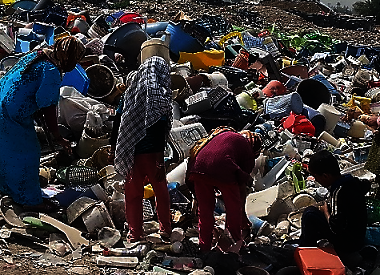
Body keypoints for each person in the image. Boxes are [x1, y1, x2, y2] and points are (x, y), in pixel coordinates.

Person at [0, 36, 85, 210]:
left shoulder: (38, 55)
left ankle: (6, 186)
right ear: (67, 57)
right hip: (12, 116)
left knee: (6, 151)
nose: (74, 64)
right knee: (27, 153)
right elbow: (47, 106)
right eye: (75, 59)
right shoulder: (50, 70)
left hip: (3, 105)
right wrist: (57, 137)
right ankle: (29, 199)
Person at [112, 56, 173, 243]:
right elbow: (163, 126)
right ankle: (166, 229)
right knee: (160, 190)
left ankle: (135, 233)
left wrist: (114, 147)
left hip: (132, 151)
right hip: (154, 153)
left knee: (133, 193)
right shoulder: (161, 97)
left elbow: (118, 123)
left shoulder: (129, 94)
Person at [186, 127, 262, 253]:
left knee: (204, 210)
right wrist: (243, 219)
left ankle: (204, 246)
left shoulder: (224, 135)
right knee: (233, 209)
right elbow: (241, 192)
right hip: (223, 167)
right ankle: (236, 242)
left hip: (198, 167)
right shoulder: (248, 151)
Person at [300, 150, 370, 266]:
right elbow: (366, 184)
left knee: (309, 214)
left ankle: (305, 250)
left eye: (316, 177)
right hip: (358, 234)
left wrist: (325, 210)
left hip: (348, 243)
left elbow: (335, 227)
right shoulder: (352, 182)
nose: (316, 180)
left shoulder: (338, 191)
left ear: (325, 176)